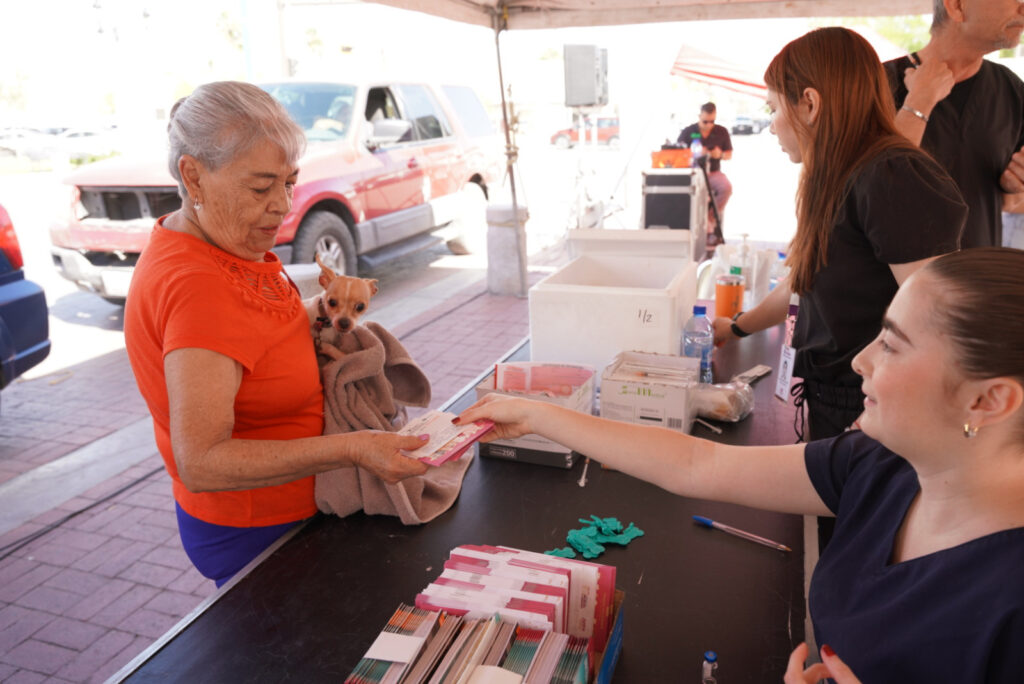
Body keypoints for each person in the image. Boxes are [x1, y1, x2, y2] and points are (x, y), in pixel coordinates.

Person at [456, 247, 1024, 682]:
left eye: (893, 346)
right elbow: (698, 465)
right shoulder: (882, 466)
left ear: (989, 399)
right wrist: (538, 415)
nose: (861, 359)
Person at [123, 81, 429, 586]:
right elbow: (201, 461)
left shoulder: (219, 241)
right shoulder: (197, 285)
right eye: (261, 188)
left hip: (295, 512)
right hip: (262, 531)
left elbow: (247, 331)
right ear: (192, 177)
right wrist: (353, 447)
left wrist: (323, 312)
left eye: (289, 182)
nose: (283, 205)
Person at [712, 27, 966, 444]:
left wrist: (875, 411)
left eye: (774, 108)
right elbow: (803, 278)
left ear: (809, 104)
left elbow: (937, 319)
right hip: (835, 400)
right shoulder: (836, 178)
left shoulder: (891, 175)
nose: (772, 126)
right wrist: (738, 327)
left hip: (872, 407)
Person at [884, 0, 1024, 248]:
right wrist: (919, 102)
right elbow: (850, 196)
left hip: (975, 280)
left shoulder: (1012, 89)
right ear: (956, 6)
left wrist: (1012, 188)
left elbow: (1008, 203)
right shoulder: (874, 86)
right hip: (896, 284)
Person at [677, 102, 733, 238]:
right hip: (694, 173)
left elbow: (729, 154)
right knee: (689, 192)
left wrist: (719, 154)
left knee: (726, 188)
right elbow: (677, 152)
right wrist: (694, 153)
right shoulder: (689, 132)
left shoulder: (721, 131)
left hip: (713, 172)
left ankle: (710, 219)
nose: (709, 125)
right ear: (699, 116)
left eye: (712, 121)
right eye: (705, 121)